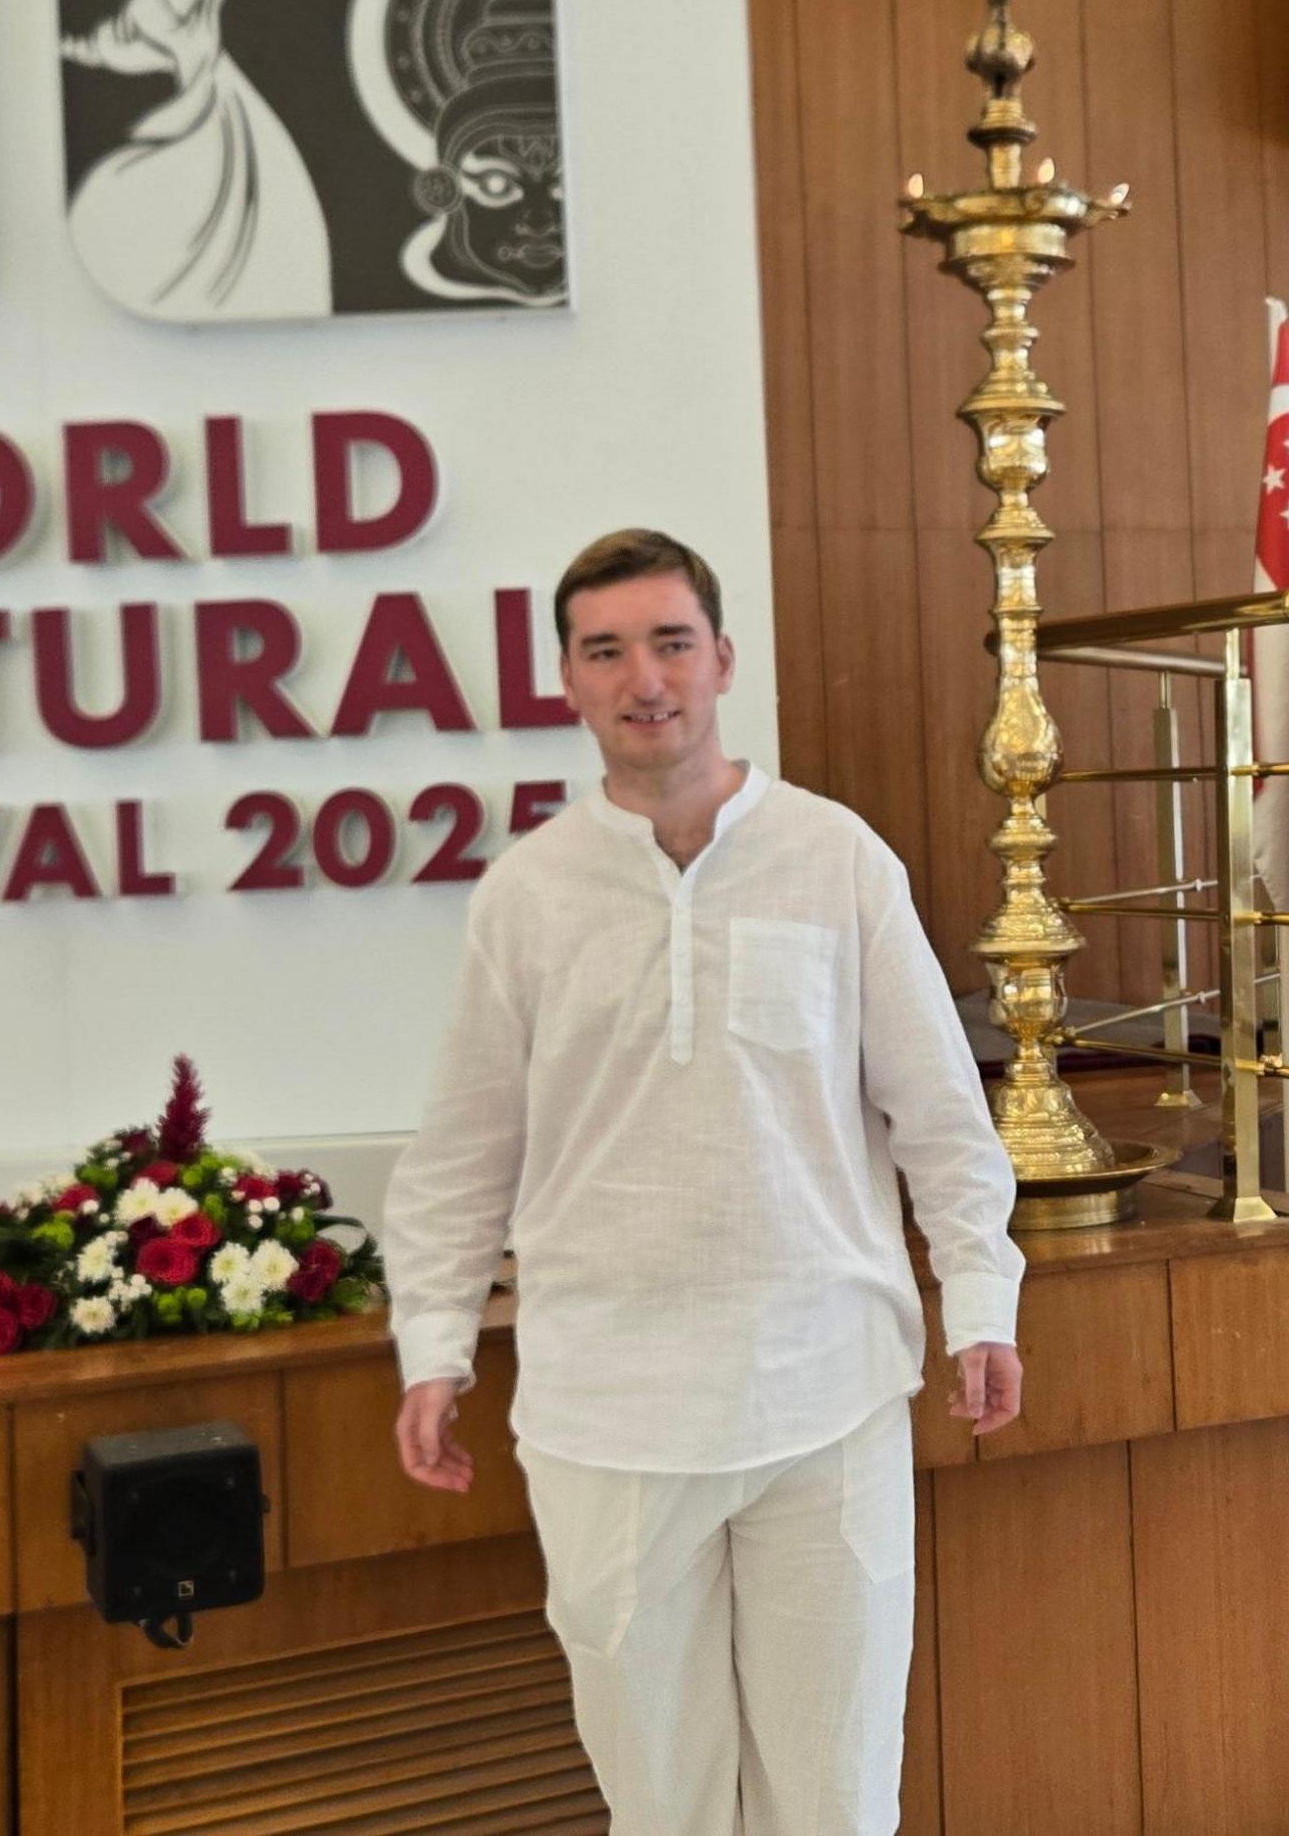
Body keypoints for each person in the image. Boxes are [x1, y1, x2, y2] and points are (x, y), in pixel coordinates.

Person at [384, 529, 1025, 1836]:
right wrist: (432, 1344)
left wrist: (983, 1301)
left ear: (722, 659)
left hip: (824, 1387)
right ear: (565, 680)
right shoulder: (527, 898)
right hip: (606, 1414)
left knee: (836, 1798)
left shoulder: (838, 860)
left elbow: (943, 1116)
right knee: (662, 1805)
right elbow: (461, 1156)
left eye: (672, 642)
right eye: (606, 650)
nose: (645, 677)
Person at [60, 0, 354, 321]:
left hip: (209, 106)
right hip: (217, 103)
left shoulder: (134, 20)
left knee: (235, 201)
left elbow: (97, 49)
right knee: (244, 200)